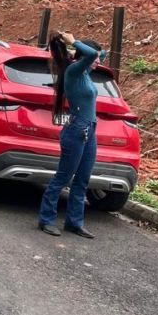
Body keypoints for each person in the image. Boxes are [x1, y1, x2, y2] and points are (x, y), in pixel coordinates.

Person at [37, 31, 106, 238]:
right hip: (76, 129)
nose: (98, 62)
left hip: (90, 129)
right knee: (63, 177)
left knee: (83, 178)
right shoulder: (73, 71)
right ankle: (46, 219)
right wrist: (74, 42)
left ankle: (74, 222)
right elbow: (93, 54)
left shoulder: (85, 71)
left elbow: (98, 53)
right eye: (95, 59)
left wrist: (77, 46)